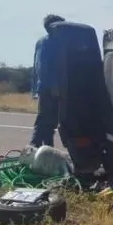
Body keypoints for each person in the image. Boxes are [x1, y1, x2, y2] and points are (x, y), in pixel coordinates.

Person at [29, 14, 65, 148]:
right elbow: (42, 66)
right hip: (48, 88)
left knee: (50, 121)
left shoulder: (53, 42)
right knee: (44, 119)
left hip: (50, 87)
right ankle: (34, 146)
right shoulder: (46, 42)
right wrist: (53, 86)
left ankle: (48, 148)